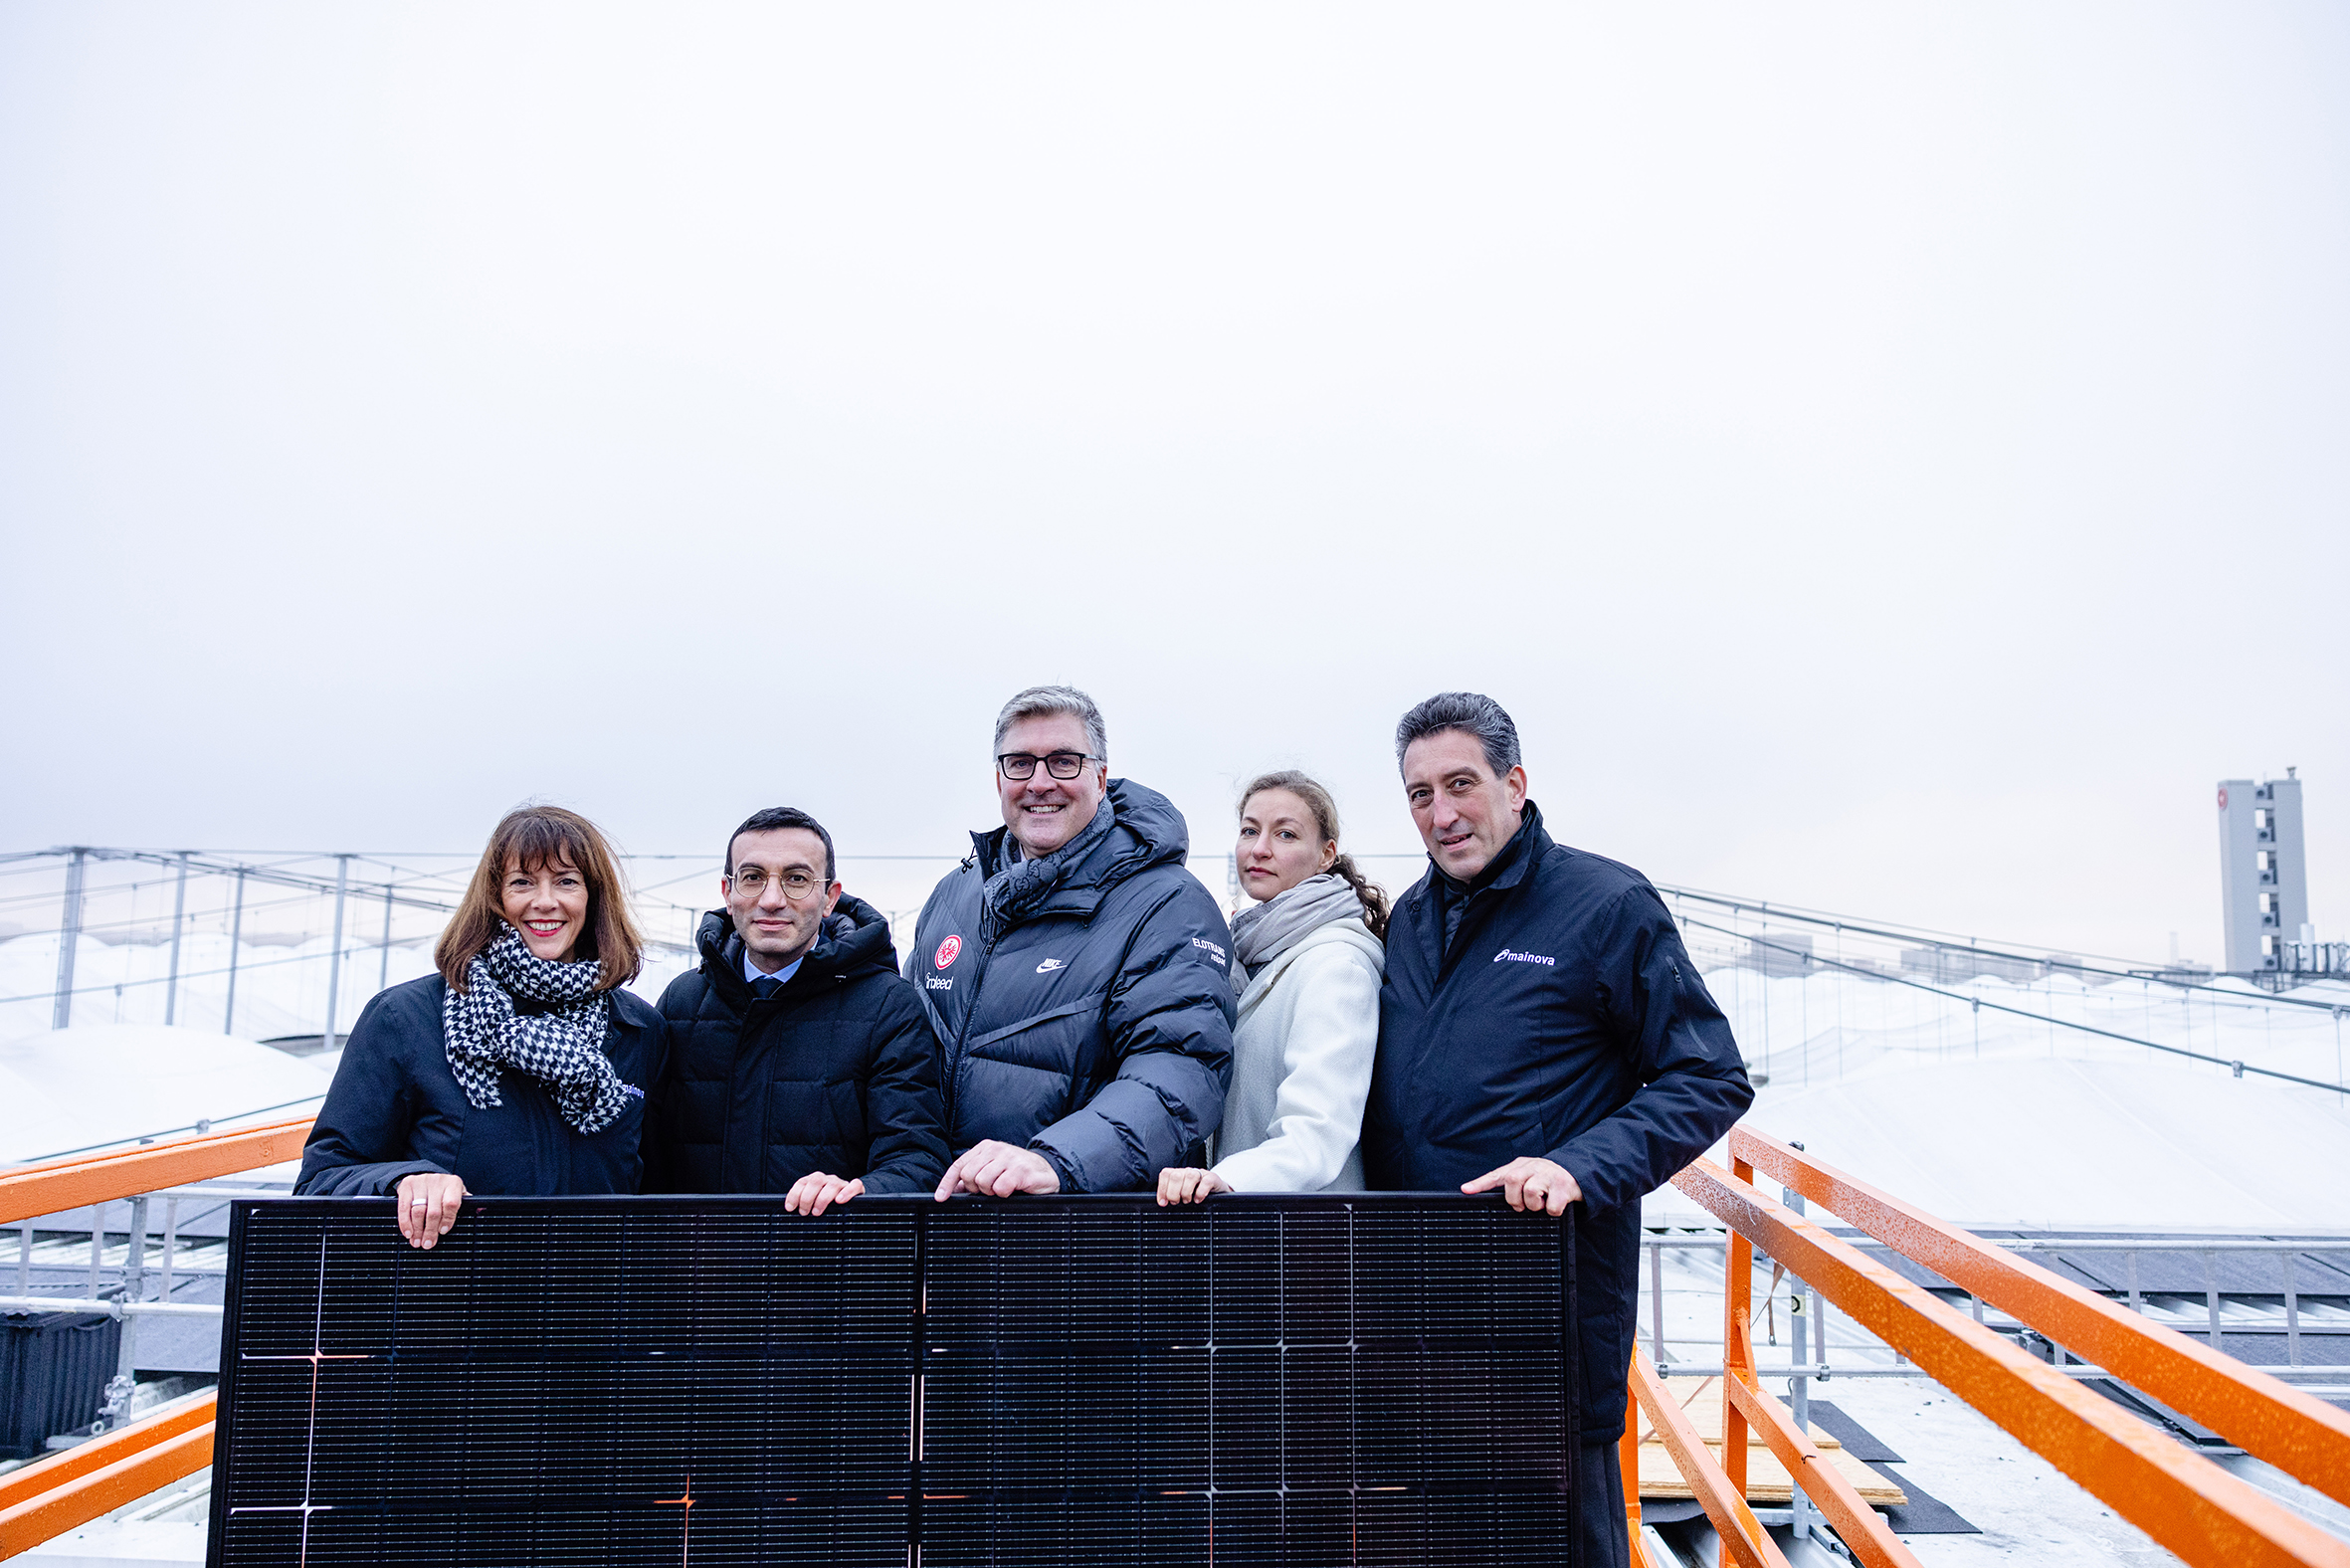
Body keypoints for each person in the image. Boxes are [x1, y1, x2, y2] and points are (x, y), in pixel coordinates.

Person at [1362, 692, 1754, 1567]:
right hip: (1421, 1300)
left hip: (1551, 1293)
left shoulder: (1605, 904)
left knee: (1562, 1535)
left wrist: (1580, 1165)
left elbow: (1709, 1076)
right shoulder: (1414, 919)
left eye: (1460, 784)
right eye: (1420, 794)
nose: (1442, 813)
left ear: (1515, 782)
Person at [911, 685, 1234, 1197]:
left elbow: (1179, 1067)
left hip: (1086, 1237)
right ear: (998, 778)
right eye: (1020, 763)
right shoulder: (954, 896)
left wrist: (1057, 1162)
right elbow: (902, 1064)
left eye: (1063, 762)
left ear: (1100, 778)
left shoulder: (1167, 904)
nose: (1040, 782)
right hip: (949, 1225)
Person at [296, 806, 667, 1250]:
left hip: (588, 1303)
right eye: (522, 882)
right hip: (452, 1304)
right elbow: (323, 1178)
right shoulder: (406, 1018)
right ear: (494, 897)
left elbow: (661, 1188)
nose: (545, 901)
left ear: (593, 898)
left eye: (566, 881)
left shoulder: (638, 1029)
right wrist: (405, 1179)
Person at [643, 806, 947, 1209]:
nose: (772, 900)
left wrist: (860, 1191)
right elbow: (646, 1157)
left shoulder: (888, 1007)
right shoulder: (682, 1002)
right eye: (752, 878)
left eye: (797, 880)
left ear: (829, 898)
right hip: (702, 1264)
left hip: (824, 1259)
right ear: (727, 894)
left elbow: (917, 1158)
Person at [1156, 771, 1386, 1203]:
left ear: (1325, 855)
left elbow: (1317, 1132)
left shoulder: (1337, 967)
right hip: (1253, 1230)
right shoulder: (1248, 958)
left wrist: (1228, 1178)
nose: (1259, 849)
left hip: (1303, 1242)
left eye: (1285, 834)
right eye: (1249, 830)